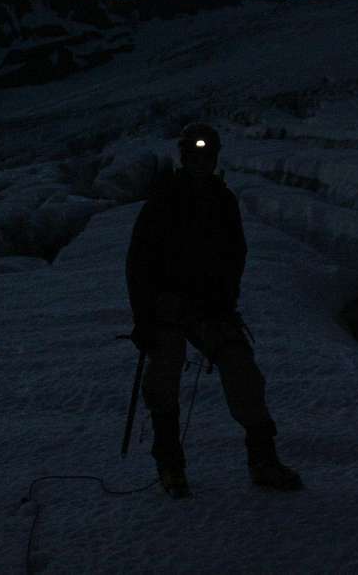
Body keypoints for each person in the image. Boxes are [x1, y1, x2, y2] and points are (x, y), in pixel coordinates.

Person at [126, 122, 302, 498]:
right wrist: (144, 316)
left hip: (209, 306)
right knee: (164, 378)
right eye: (196, 155)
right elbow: (139, 261)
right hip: (168, 305)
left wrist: (225, 299)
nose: (202, 162)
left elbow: (235, 253)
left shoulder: (223, 201)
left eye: (207, 156)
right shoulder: (164, 199)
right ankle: (170, 466)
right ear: (185, 156)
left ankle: (263, 461)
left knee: (244, 373)